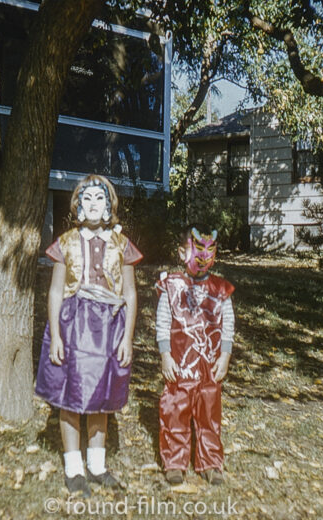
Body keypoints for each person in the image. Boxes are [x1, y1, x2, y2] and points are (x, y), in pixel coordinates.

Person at [35, 174, 142, 497]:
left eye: (100, 199)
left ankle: (97, 465)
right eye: (88, 199)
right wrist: (55, 335)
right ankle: (73, 467)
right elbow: (55, 293)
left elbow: (132, 295)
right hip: (73, 326)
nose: (93, 205)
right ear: (78, 205)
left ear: (109, 206)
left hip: (109, 328)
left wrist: (127, 339)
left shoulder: (122, 245)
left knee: (102, 397)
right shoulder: (65, 243)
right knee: (71, 397)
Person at [155, 225, 235, 486]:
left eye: (209, 251)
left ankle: (210, 462)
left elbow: (228, 324)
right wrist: (165, 354)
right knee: (175, 409)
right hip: (180, 362)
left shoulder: (220, 288)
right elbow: (163, 320)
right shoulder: (171, 285)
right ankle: (175, 462)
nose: (203, 257)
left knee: (209, 412)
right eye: (196, 250)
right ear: (181, 253)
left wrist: (225, 355)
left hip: (209, 365)